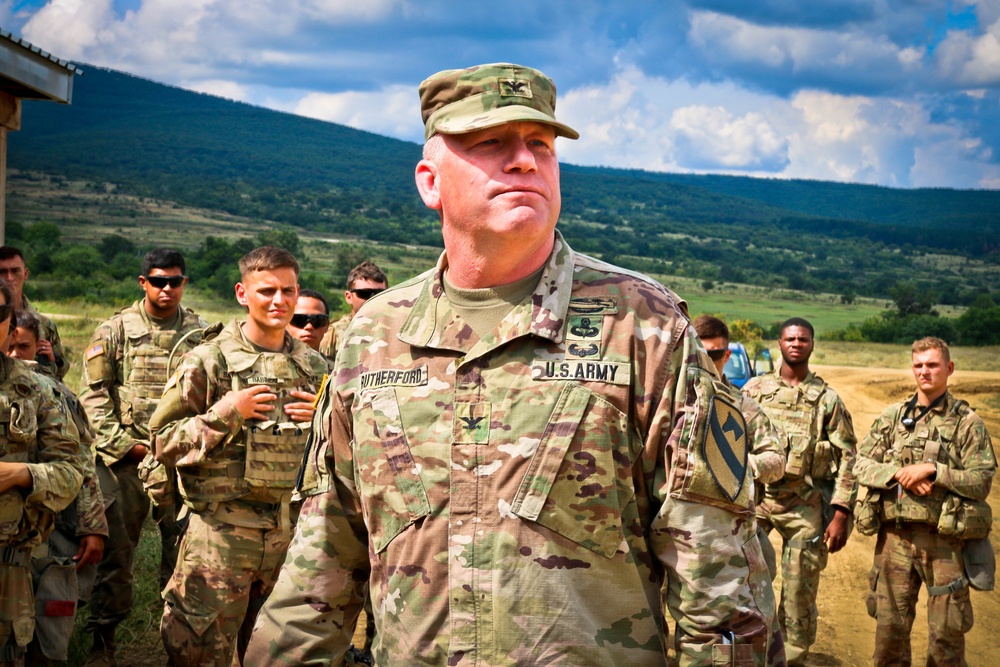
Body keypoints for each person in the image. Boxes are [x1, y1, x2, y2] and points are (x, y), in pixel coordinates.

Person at [248, 62, 780, 667]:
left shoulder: (644, 326)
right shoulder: (375, 335)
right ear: (429, 182)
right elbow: (324, 553)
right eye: (490, 144)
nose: (524, 161)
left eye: (540, 145)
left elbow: (719, 578)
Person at [149, 245, 328, 667]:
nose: (279, 301)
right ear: (242, 293)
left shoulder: (316, 367)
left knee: (277, 654)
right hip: (220, 535)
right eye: (266, 291)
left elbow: (338, 453)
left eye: (287, 290)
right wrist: (228, 412)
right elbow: (162, 441)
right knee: (198, 652)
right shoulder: (209, 360)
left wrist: (321, 420)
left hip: (289, 534)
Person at [78, 248, 208, 667]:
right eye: (158, 281)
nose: (166, 289)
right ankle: (103, 642)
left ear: (184, 283)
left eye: (174, 281)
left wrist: (184, 447)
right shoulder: (115, 329)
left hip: (181, 464)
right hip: (125, 463)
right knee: (116, 556)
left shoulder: (201, 335)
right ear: (143, 283)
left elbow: (211, 399)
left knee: (184, 556)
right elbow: (95, 401)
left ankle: (178, 646)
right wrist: (132, 447)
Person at [853, 337, 995, 666]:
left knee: (946, 638)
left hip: (945, 544)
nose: (924, 372)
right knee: (889, 633)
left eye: (932, 365)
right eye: (918, 365)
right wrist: (901, 474)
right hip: (894, 540)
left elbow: (982, 481)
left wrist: (933, 471)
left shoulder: (967, 423)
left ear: (949, 368)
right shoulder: (892, 416)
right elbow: (860, 463)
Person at [742, 317, 857, 665]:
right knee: (744, 582)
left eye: (803, 339)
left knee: (798, 592)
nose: (796, 344)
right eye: (790, 338)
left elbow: (849, 457)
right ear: (779, 343)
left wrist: (841, 512)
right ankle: (748, 651)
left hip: (805, 505)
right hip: (758, 502)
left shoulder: (826, 399)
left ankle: (790, 659)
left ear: (811, 345)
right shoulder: (754, 391)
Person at [8, 311, 108, 666]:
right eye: (12, 346)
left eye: (25, 346)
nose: (18, 354)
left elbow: (82, 464)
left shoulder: (56, 394)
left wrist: (93, 526)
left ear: (41, 346)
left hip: (54, 528)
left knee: (50, 631)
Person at [0, 278, 83, 666]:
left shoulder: (36, 390)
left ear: (10, 320)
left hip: (10, 567)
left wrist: (22, 475)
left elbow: (71, 472)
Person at [693, 315, 785, 579]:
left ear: (727, 354)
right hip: (679, 530)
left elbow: (777, 461)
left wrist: (741, 466)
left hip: (731, 528)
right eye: (701, 353)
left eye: (716, 353)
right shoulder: (670, 406)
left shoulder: (745, 408)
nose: (708, 361)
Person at [0, 246, 68, 378]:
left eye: (15, 271)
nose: (9, 277)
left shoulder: (45, 325)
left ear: (25, 274)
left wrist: (54, 359)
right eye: (2, 271)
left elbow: (62, 371)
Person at [318, 260, 387, 361]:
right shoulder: (333, 334)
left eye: (379, 294)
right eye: (364, 294)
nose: (372, 298)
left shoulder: (396, 331)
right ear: (349, 297)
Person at [286, 288, 332, 363]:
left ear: (326, 325)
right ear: (286, 323)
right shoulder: (267, 368)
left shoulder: (338, 371)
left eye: (317, 320)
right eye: (300, 319)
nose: (309, 327)